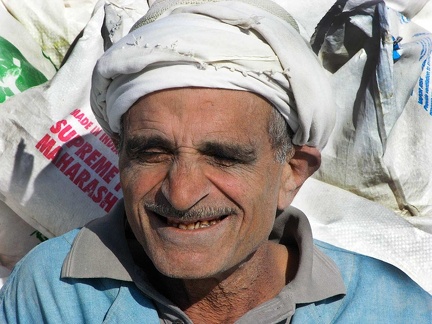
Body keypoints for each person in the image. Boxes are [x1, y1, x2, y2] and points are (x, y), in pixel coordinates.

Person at [1, 0, 431, 323]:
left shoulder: (394, 311)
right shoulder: (52, 293)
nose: (182, 194)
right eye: (152, 153)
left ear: (291, 173)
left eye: (224, 157)